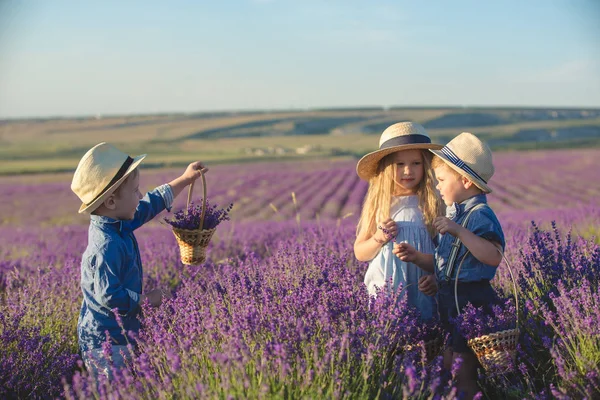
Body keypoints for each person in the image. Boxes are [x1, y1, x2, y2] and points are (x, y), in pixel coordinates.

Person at [70, 142, 208, 379]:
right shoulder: (106, 245)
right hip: (106, 341)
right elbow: (109, 296)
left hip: (119, 335)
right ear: (112, 202)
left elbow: (148, 205)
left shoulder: (118, 222)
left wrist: (185, 179)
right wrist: (146, 300)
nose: (140, 195)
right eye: (135, 191)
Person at [393, 132, 504, 399]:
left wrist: (459, 232)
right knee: (446, 367)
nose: (438, 187)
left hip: (471, 303)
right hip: (450, 302)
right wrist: (418, 258)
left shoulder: (480, 215)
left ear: (465, 181)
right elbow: (448, 262)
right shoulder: (454, 215)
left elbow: (493, 255)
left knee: (463, 374)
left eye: (442, 180)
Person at [354, 121, 444, 320]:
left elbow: (447, 254)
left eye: (416, 163)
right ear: (386, 167)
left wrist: (437, 277)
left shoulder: (433, 203)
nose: (407, 171)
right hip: (387, 290)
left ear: (426, 165)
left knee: (428, 337)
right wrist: (379, 238)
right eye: (399, 164)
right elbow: (360, 252)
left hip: (423, 287)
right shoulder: (379, 204)